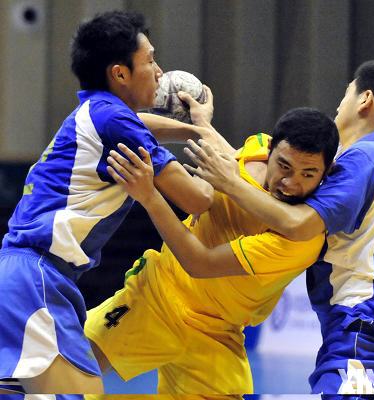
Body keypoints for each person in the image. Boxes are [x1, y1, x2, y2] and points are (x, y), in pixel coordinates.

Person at [0, 11, 214, 396]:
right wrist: (209, 134)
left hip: (24, 276)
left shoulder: (96, 112)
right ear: (120, 73)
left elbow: (142, 124)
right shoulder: (114, 121)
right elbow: (198, 199)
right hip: (38, 280)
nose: (160, 72)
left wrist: (191, 128)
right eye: (150, 61)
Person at [185, 59, 374, 396]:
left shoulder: (364, 160)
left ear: (365, 99)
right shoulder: (373, 158)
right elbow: (261, 178)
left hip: (365, 332)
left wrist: (230, 185)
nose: (339, 103)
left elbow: (297, 224)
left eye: (347, 92)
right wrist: (203, 127)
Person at [84, 108, 338, 398]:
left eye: (308, 174)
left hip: (216, 334)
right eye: (284, 166)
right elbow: (223, 153)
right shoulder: (256, 147)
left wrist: (150, 197)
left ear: (326, 172)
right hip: (158, 295)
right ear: (270, 150)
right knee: (68, 368)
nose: (291, 183)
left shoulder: (301, 239)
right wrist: (201, 123)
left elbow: (199, 263)